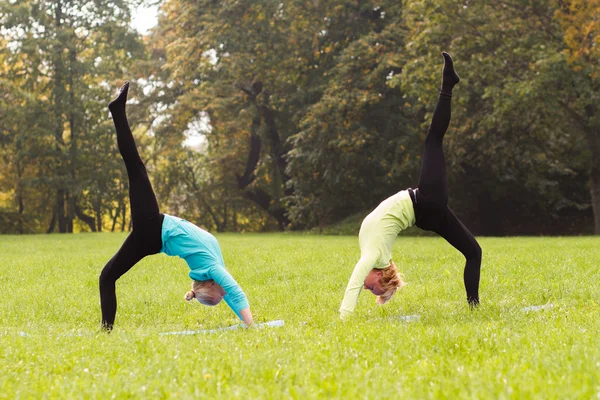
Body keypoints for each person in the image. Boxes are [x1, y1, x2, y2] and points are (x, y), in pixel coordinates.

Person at [99, 82, 253, 330]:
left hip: (152, 230)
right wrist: (250, 324)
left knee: (135, 167)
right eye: (220, 297)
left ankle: (106, 331)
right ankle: (117, 111)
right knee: (135, 167)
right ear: (212, 283)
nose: (224, 296)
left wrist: (247, 323)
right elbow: (235, 294)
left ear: (210, 283)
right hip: (153, 230)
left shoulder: (212, 269)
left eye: (218, 297)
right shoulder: (215, 267)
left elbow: (231, 294)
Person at [339, 52, 482, 319]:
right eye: (375, 289)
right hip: (425, 204)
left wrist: (351, 312)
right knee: (433, 141)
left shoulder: (373, 255)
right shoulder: (375, 257)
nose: (368, 289)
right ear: (380, 275)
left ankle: (474, 308)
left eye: (372, 290)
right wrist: (346, 315)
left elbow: (359, 279)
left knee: (474, 252)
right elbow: (357, 280)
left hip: (427, 210)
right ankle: (447, 85)